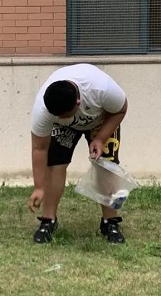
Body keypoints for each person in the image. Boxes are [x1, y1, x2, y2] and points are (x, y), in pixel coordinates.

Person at [28, 63, 128, 244]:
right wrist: (39, 187)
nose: (62, 118)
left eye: (65, 115)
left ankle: (110, 222)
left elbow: (121, 109)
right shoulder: (43, 110)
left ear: (78, 102)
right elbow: (39, 149)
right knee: (54, 164)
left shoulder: (102, 89)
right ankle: (48, 220)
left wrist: (101, 138)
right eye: (57, 116)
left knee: (107, 167)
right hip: (63, 129)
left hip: (100, 121)